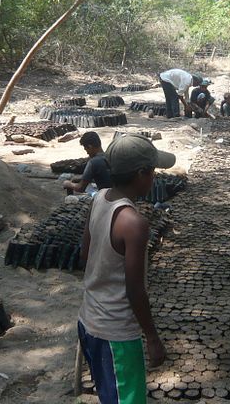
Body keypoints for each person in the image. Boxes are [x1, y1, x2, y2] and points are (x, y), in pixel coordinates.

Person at [78, 134, 175, 403]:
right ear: (142, 173)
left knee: (110, 394)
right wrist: (153, 337)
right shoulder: (134, 223)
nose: (154, 177)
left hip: (88, 320)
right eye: (153, 171)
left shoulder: (99, 198)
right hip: (116, 334)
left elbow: (85, 254)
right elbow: (134, 290)